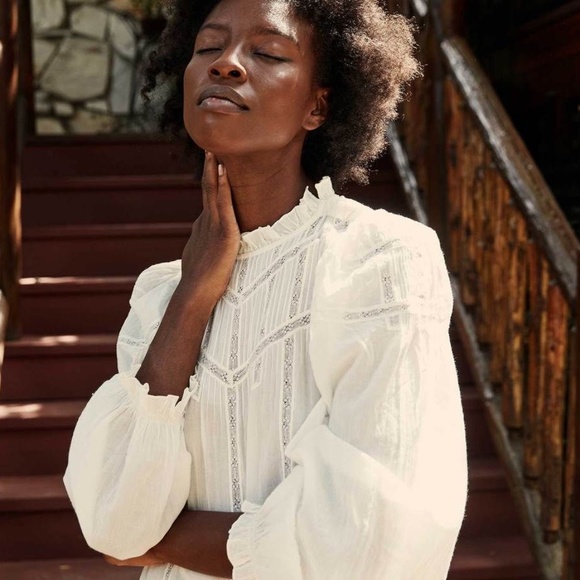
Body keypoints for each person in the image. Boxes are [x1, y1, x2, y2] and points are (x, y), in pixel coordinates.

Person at [63, 0, 469, 578]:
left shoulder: (378, 258)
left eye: (268, 52)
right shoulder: (160, 294)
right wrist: (192, 297)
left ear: (317, 105)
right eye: (208, 47)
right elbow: (112, 522)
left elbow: (366, 542)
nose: (225, 63)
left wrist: (161, 539)